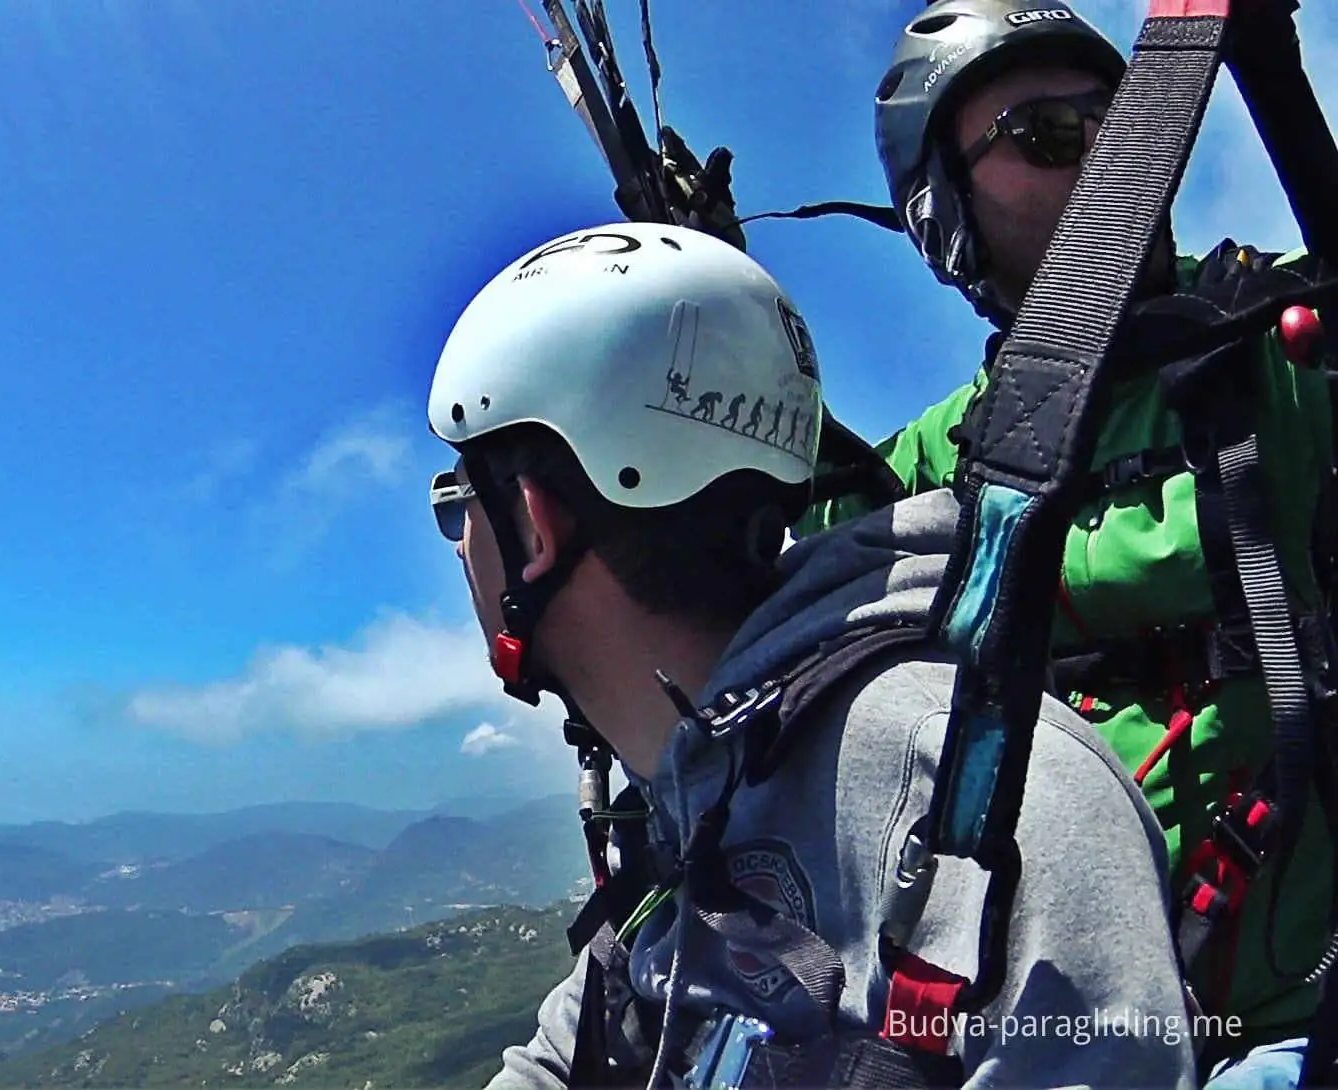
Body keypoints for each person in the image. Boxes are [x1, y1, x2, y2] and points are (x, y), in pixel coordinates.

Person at [427, 219, 1197, 1088]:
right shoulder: (689, 796)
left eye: (457, 505)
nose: (457, 544)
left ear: (532, 521)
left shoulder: (988, 802)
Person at [794, 2, 1337, 1084]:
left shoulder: (1273, 346)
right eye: (1047, 134)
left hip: (1293, 1023)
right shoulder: (949, 455)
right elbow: (782, 558)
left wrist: (1281, 98)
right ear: (943, 216)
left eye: (1122, 122)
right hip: (1060, 1035)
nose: (1104, 155)